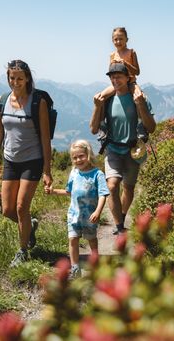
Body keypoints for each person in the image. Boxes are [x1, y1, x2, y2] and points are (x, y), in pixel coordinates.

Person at [0, 59, 53, 267]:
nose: (15, 82)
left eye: (19, 78)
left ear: (27, 79)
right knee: (7, 210)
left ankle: (23, 250)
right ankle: (30, 227)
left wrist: (47, 170)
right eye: (11, 78)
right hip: (10, 160)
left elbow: (45, 137)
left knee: (21, 206)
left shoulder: (38, 102)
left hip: (32, 160)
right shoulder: (2, 100)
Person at [90, 63, 156, 235]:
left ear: (128, 78)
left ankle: (121, 216)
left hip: (133, 150)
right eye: (112, 77)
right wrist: (97, 107)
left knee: (128, 188)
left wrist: (140, 104)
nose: (115, 79)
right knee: (111, 186)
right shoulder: (106, 100)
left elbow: (151, 127)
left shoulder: (140, 98)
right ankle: (120, 228)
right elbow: (93, 129)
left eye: (119, 76)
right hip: (112, 149)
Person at [45, 140, 109, 278]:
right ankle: (75, 269)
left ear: (88, 154)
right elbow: (69, 192)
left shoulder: (97, 174)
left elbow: (103, 194)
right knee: (73, 239)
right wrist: (54, 191)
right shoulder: (74, 173)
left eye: (81, 156)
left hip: (90, 216)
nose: (78, 160)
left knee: (91, 240)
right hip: (74, 215)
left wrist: (98, 211)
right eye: (75, 157)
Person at [96, 27, 142, 101]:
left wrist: (126, 64)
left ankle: (145, 112)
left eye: (121, 39)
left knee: (140, 98)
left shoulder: (131, 52)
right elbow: (111, 74)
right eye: (115, 39)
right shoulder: (112, 55)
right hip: (117, 84)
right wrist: (112, 66)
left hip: (131, 83)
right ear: (112, 41)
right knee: (99, 97)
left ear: (126, 40)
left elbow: (137, 72)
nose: (118, 42)